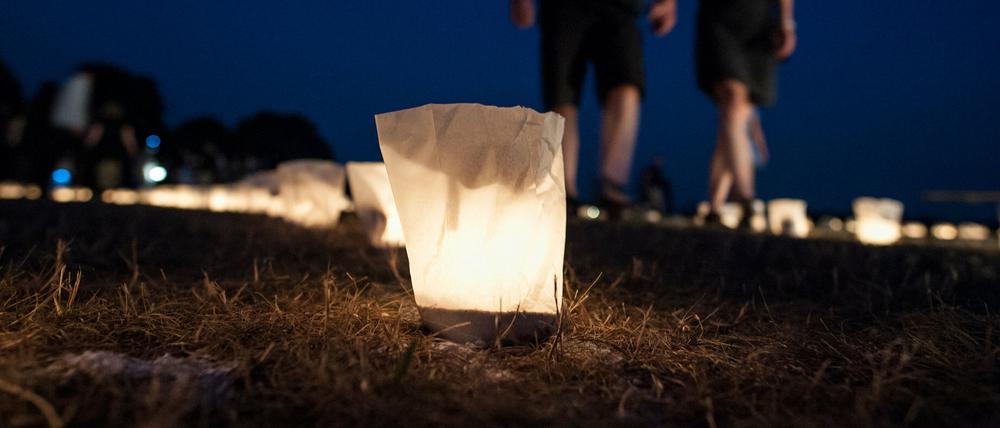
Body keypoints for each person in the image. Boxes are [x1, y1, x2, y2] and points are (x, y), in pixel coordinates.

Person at [510, 0, 677, 215]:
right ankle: (563, 191)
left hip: (623, 7)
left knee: (627, 85)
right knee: (562, 96)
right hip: (563, 7)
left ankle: (612, 186)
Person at [698, 0, 795, 225]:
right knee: (733, 100)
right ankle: (746, 198)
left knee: (735, 116)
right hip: (720, 17)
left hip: (759, 23)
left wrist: (786, 22)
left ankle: (714, 206)